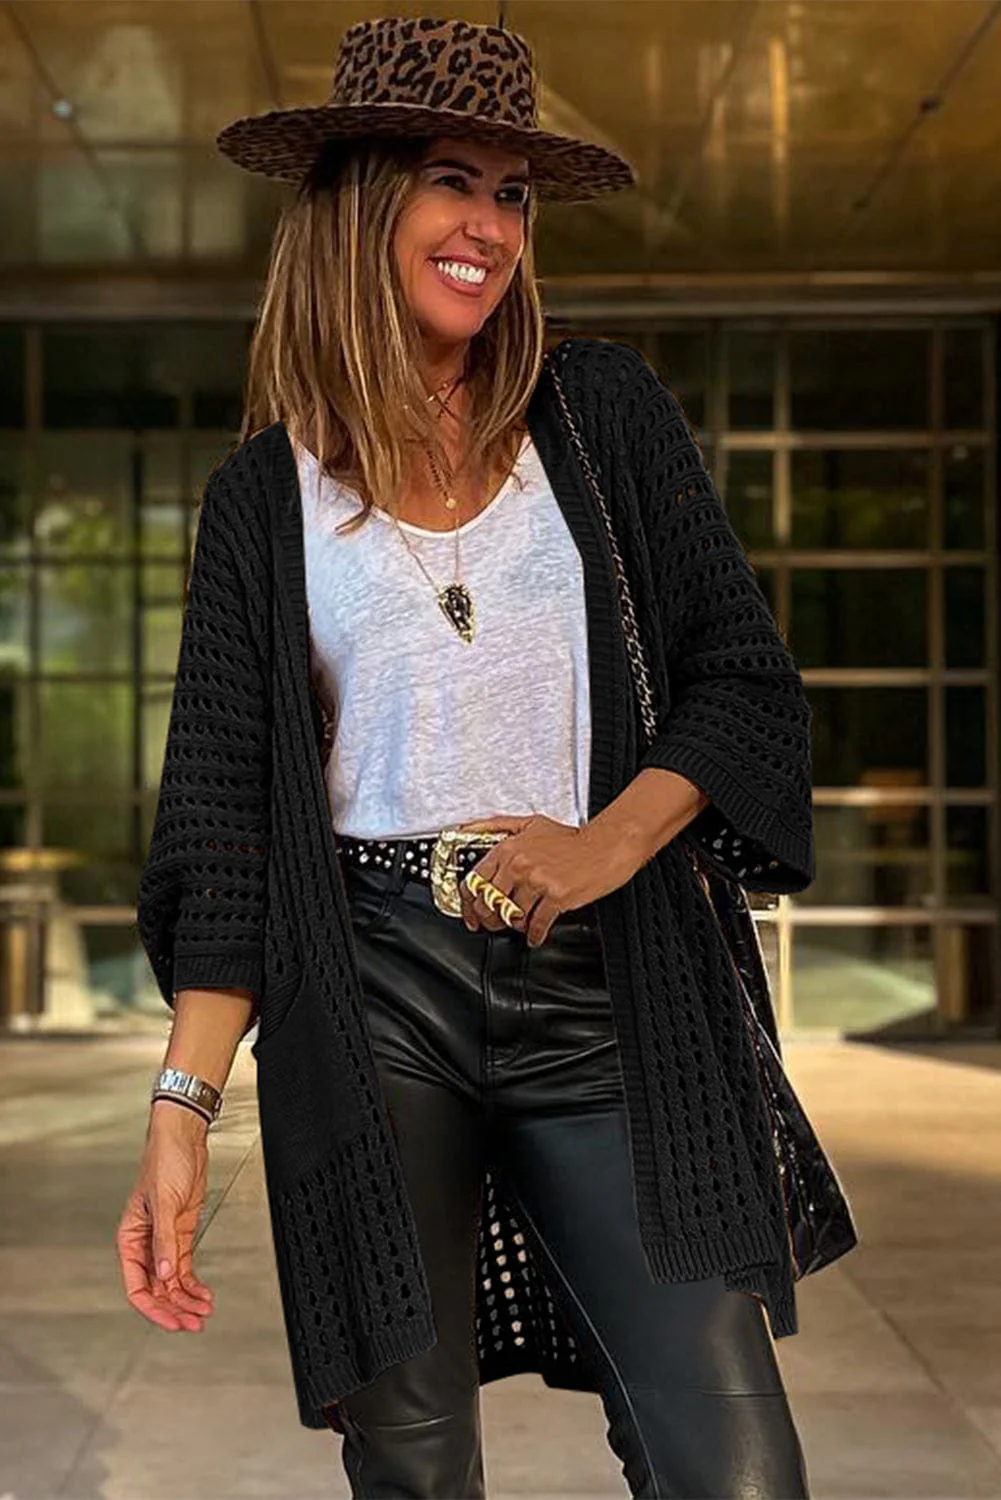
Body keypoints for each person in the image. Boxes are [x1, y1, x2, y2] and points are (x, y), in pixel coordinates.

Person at [118, 15, 823, 1499]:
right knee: (416, 1468)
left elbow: (744, 686)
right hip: (371, 994)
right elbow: (226, 838)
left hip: (610, 987)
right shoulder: (262, 501)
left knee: (734, 1464)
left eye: (513, 194)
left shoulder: (604, 413)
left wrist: (606, 843)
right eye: (453, 180)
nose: (491, 226)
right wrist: (181, 1112)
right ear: (362, 205)